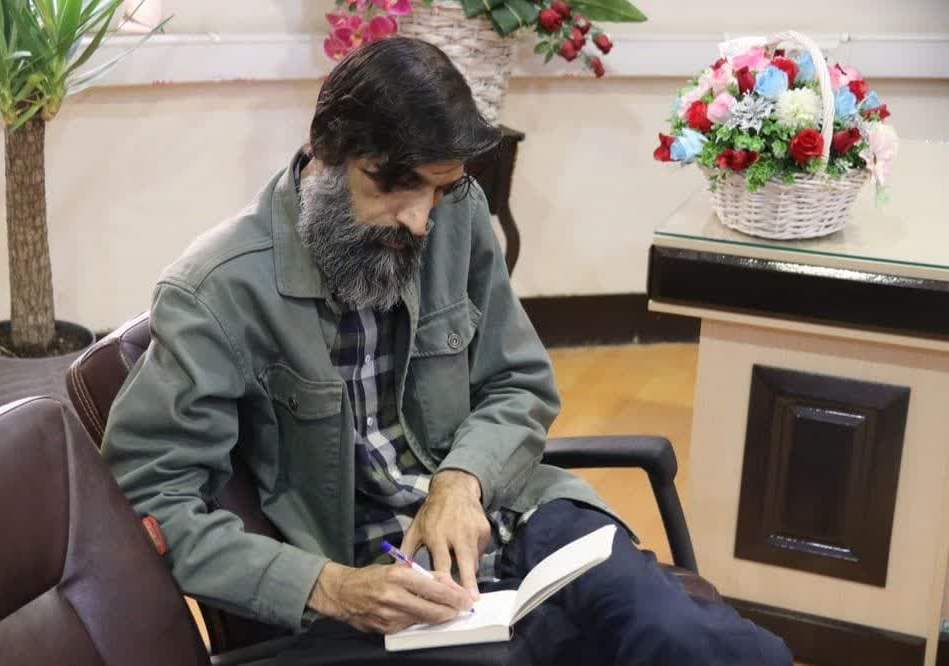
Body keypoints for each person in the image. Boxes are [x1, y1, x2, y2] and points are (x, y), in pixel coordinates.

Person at [102, 36, 792, 665]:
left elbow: (520, 382)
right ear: (324, 153)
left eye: (439, 188)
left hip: (516, 514)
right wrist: (329, 586)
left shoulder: (455, 214)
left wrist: (461, 482)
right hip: (378, 586)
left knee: (702, 645)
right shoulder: (216, 292)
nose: (419, 219)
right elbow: (152, 500)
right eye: (395, 186)